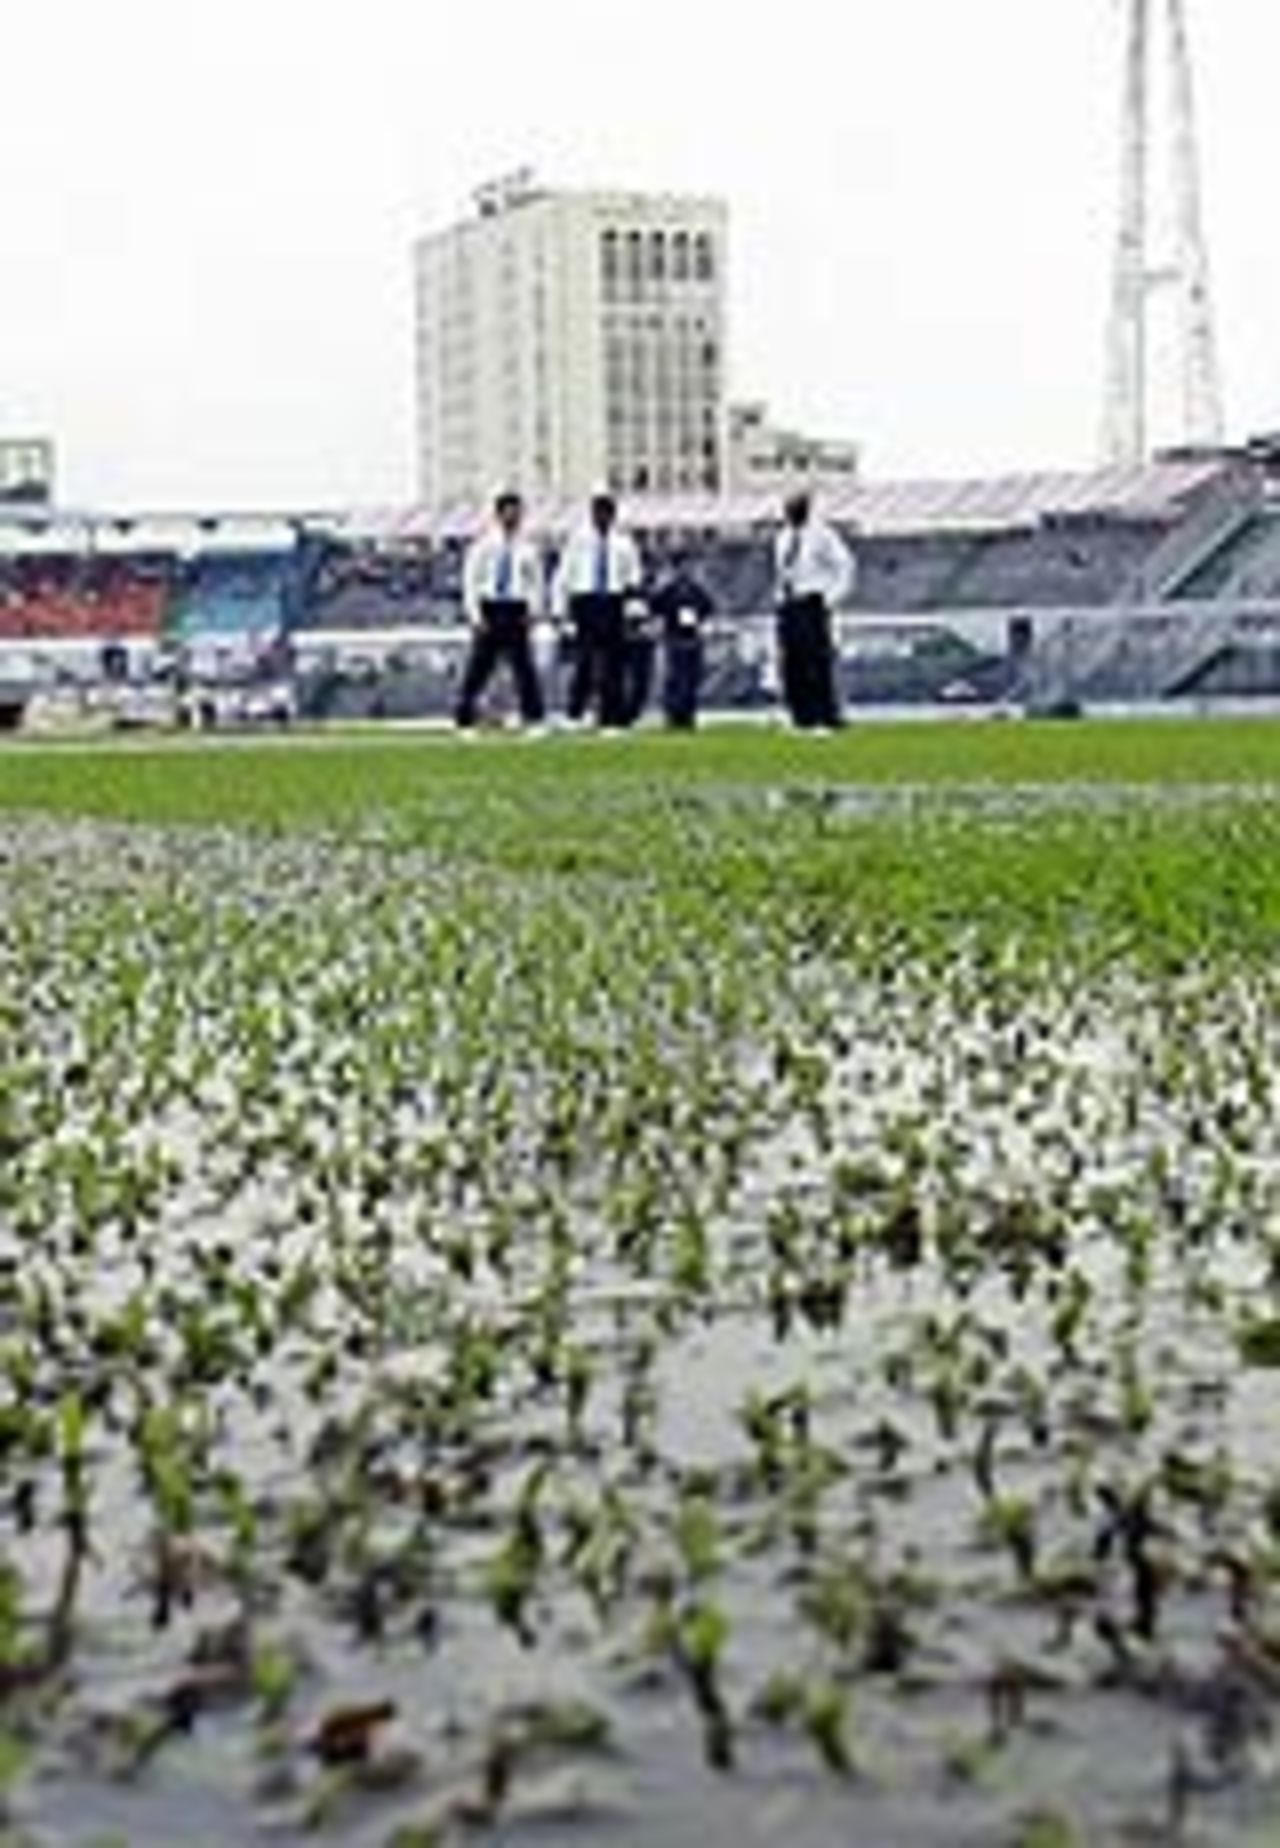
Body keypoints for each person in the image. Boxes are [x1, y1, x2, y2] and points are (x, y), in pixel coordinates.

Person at [455, 491, 547, 733]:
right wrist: (475, 615)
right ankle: (465, 719)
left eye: (517, 511)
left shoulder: (528, 548)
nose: (513, 516)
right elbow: (471, 581)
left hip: (516, 607)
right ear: (498, 514)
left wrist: (534, 611)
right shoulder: (483, 546)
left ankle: (534, 718)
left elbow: (536, 582)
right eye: (508, 511)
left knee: (524, 667)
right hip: (491, 606)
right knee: (478, 667)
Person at [553, 493, 643, 730]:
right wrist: (561, 610)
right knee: (585, 660)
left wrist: (633, 611)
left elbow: (633, 578)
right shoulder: (578, 541)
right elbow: (565, 575)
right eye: (598, 513)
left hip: (612, 601)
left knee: (613, 663)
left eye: (607, 513)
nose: (602, 518)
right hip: (586, 601)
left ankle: (611, 715)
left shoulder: (624, 543)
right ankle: (575, 712)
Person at [773, 491, 854, 730]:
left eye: (795, 507)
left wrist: (830, 598)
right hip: (788, 604)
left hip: (812, 602)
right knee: (791, 663)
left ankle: (826, 715)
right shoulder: (783, 537)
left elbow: (845, 564)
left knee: (816, 662)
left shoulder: (822, 535)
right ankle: (801, 716)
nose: (790, 512)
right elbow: (783, 572)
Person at [649, 550, 714, 729]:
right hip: (674, 639)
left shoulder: (696, 590)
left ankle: (689, 715)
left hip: (693, 639)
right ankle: (673, 715)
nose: (685, 570)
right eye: (681, 566)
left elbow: (708, 609)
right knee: (675, 678)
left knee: (692, 678)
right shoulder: (668, 590)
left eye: (688, 566)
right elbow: (655, 608)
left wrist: (703, 627)